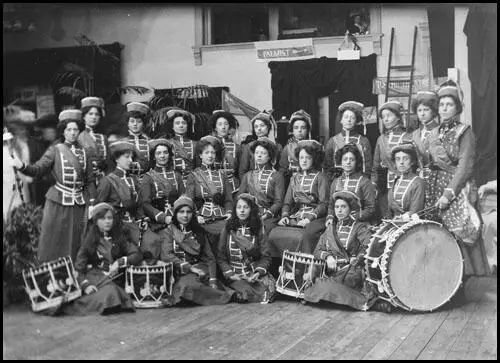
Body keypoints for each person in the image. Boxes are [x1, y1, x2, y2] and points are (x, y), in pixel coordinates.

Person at [9, 109, 96, 262]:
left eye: (76, 129)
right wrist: (22, 165)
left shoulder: (85, 152)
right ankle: (55, 271)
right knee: (55, 238)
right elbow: (37, 169)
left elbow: (89, 181)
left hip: (78, 202)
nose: (73, 133)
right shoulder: (55, 150)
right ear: (63, 131)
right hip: (58, 201)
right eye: (69, 129)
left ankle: (75, 270)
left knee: (77, 237)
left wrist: (92, 204)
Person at [428, 80, 485, 275]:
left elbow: (465, 167)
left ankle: (472, 279)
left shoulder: (465, 131)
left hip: (457, 189)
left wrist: (449, 193)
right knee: (440, 234)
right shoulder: (433, 133)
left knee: (463, 234)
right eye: (441, 104)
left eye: (449, 104)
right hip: (434, 188)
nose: (444, 108)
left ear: (457, 108)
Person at [303, 191, 392, 313]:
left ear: (350, 209)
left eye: (343, 207)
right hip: (331, 271)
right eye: (337, 207)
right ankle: (342, 297)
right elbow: (318, 250)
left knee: (328, 287)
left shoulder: (359, 227)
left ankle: (358, 300)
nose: (339, 210)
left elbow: (369, 246)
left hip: (351, 271)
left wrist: (358, 258)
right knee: (319, 281)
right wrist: (328, 257)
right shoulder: (330, 228)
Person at [63, 202, 142, 315]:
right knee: (110, 292)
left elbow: (136, 254)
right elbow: (79, 269)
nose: (107, 221)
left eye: (110, 218)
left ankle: (108, 302)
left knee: (113, 291)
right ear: (96, 221)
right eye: (103, 218)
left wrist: (120, 262)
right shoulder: (89, 242)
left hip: (112, 279)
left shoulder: (119, 238)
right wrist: (85, 285)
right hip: (95, 278)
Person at [160, 195, 236, 305]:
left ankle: (221, 294)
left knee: (209, 281)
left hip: (199, 269)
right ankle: (224, 297)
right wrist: (189, 268)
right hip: (179, 272)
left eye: (188, 212)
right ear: (175, 214)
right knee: (189, 285)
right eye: (181, 212)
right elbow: (167, 255)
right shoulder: (169, 232)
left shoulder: (198, 231)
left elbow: (210, 258)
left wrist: (213, 280)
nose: (185, 215)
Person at [95, 140, 161, 262]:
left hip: (134, 223)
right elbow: (99, 208)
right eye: (126, 157)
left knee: (154, 240)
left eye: (131, 157)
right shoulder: (107, 181)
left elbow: (139, 204)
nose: (130, 160)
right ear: (116, 159)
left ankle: (147, 274)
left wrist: (142, 218)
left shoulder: (133, 180)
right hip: (116, 226)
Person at [268, 140, 328, 257]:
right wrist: (285, 216)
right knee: (274, 234)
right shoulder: (294, 178)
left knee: (305, 236)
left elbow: (324, 204)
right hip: (298, 214)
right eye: (301, 158)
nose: (304, 161)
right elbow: (287, 203)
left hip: (317, 217)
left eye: (308, 157)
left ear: (314, 159)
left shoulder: (321, 177)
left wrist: (309, 219)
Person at [217, 193, 276, 303]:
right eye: (239, 207)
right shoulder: (228, 227)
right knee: (245, 292)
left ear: (251, 210)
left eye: (246, 207)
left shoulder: (259, 227)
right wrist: (230, 274)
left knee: (268, 289)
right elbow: (221, 257)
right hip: (234, 274)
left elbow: (265, 257)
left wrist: (258, 272)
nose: (242, 211)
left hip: (251, 272)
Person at [186, 136, 233, 245]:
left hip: (221, 216)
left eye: (213, 153)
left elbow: (228, 199)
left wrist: (229, 212)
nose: (210, 156)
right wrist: (197, 216)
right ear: (200, 155)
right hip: (203, 217)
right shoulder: (194, 175)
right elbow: (189, 200)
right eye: (207, 153)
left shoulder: (222, 174)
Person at [139, 138, 184, 250]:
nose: (162, 156)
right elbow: (145, 204)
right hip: (157, 223)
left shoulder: (177, 175)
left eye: (165, 152)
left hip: (178, 219)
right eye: (159, 153)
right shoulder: (148, 177)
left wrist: (178, 215)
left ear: (169, 155)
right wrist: (163, 217)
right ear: (154, 156)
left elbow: (183, 197)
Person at [371, 100, 412, 219]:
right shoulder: (381, 139)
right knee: (387, 218)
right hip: (386, 187)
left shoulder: (408, 137)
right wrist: (374, 184)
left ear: (398, 117)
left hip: (406, 184)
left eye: (389, 115)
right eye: (383, 117)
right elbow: (375, 167)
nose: (386, 119)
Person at [238, 137, 285, 235]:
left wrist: (266, 215)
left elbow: (278, 202)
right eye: (256, 153)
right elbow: (240, 197)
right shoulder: (248, 175)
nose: (259, 156)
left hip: (267, 216)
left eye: (263, 153)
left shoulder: (277, 176)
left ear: (269, 157)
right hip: (248, 214)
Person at [324, 101, 372, 182]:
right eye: (346, 117)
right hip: (337, 183)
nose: (349, 120)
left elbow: (367, 166)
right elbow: (328, 167)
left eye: (352, 117)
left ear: (356, 121)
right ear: (341, 120)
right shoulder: (334, 140)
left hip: (358, 182)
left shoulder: (363, 141)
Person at [328, 144, 377, 223]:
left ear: (356, 162)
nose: (348, 162)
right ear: (340, 161)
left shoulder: (365, 182)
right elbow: (331, 205)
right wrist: (330, 217)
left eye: (352, 159)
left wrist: (352, 218)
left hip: (358, 223)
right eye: (345, 159)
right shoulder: (335, 182)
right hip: (339, 223)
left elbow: (370, 208)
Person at [411, 91, 441, 219]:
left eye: (426, 110)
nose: (422, 114)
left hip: (437, 179)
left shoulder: (440, 131)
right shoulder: (415, 134)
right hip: (420, 179)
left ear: (433, 111)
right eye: (419, 110)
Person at [387, 142, 425, 220]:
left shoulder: (418, 182)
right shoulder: (396, 181)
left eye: (405, 159)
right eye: (398, 159)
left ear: (412, 161)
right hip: (394, 222)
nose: (401, 162)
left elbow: (415, 211)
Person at [239, 110, 282, 179]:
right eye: (256, 127)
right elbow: (242, 171)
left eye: (262, 125)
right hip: (252, 184)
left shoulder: (277, 147)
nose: (259, 129)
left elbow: (280, 169)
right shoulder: (248, 147)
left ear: (268, 127)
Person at [78, 97, 110, 180]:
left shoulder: (103, 138)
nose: (94, 117)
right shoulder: (78, 137)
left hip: (103, 179)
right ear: (84, 116)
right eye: (90, 114)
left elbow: (108, 163)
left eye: (97, 114)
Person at [210, 110, 241, 194]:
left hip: (233, 187)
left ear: (229, 126)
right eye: (219, 124)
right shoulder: (209, 145)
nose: (223, 127)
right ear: (215, 128)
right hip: (215, 185)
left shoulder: (237, 147)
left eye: (226, 124)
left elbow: (240, 171)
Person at [165, 108, 197, 187]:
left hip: (192, 182)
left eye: (184, 123)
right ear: (172, 126)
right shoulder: (167, 144)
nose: (181, 125)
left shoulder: (195, 144)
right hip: (173, 181)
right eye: (177, 123)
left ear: (187, 126)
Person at [279, 109, 312, 183]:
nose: (299, 130)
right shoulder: (288, 148)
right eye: (296, 128)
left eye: (303, 128)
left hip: (310, 182)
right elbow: (282, 170)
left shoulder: (313, 146)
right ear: (292, 130)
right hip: (292, 183)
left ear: (307, 130)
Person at [123, 102, 151, 177]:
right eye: (132, 121)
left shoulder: (150, 142)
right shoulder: (122, 143)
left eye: (139, 121)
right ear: (127, 123)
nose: (135, 124)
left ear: (143, 123)